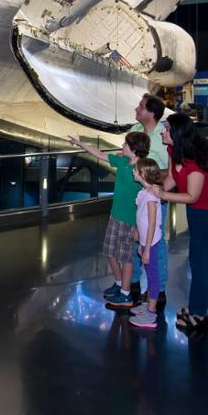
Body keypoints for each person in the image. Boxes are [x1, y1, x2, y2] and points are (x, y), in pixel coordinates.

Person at [141, 112, 208, 336]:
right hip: (198, 207)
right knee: (198, 255)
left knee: (199, 257)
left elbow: (192, 196)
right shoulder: (173, 150)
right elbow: (172, 178)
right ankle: (197, 306)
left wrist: (162, 195)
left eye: (166, 128)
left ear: (177, 133)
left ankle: (199, 312)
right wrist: (156, 191)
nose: (162, 131)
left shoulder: (195, 161)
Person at [68, 130, 150, 308]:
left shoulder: (142, 170)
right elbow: (99, 154)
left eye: (125, 144)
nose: (122, 146)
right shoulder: (123, 161)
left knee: (126, 257)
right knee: (110, 251)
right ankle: (119, 284)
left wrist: (138, 227)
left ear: (133, 148)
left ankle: (126, 294)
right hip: (115, 215)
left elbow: (146, 199)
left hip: (130, 221)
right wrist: (81, 144)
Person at [128, 94, 170, 306]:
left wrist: (150, 178)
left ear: (152, 113)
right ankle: (134, 281)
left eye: (141, 106)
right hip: (135, 195)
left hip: (154, 196)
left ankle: (158, 290)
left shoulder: (164, 136)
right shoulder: (135, 130)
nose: (136, 109)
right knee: (135, 236)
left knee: (155, 241)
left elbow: (170, 170)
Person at [129, 158, 164, 329]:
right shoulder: (144, 192)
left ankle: (151, 312)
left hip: (151, 242)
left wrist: (147, 249)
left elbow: (152, 223)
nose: (133, 171)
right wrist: (137, 231)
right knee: (149, 273)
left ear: (143, 174)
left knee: (153, 275)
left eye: (135, 169)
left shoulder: (151, 196)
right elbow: (141, 216)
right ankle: (149, 304)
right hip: (145, 240)